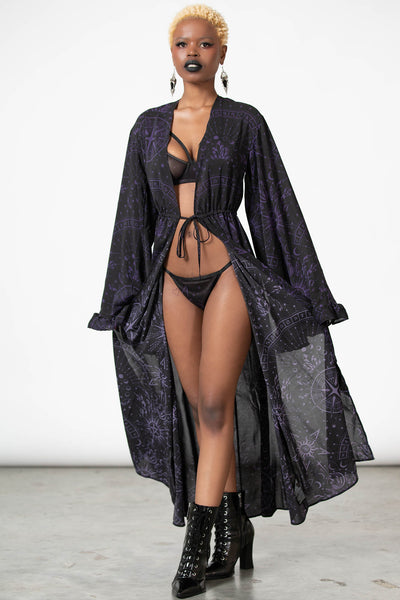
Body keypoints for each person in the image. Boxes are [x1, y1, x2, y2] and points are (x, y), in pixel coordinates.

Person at [87, 4, 374, 598]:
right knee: (200, 407)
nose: (193, 52)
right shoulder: (147, 127)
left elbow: (273, 204)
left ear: (222, 54)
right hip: (170, 276)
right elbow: (131, 213)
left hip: (228, 272)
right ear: (171, 54)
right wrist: (123, 293)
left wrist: (304, 288)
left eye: (205, 44)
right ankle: (235, 523)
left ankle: (195, 545)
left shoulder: (245, 121)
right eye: (182, 44)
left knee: (217, 405)